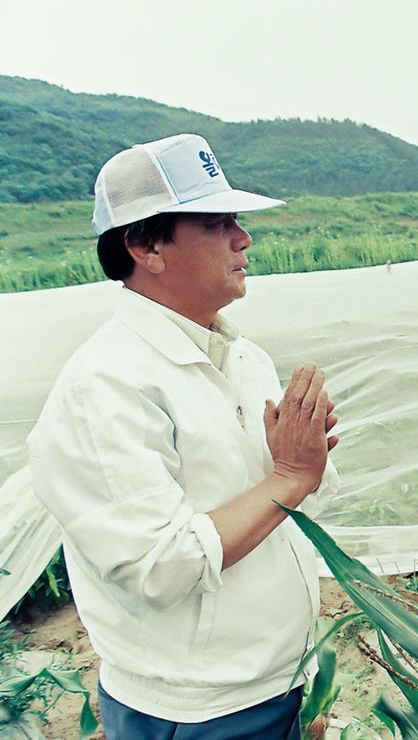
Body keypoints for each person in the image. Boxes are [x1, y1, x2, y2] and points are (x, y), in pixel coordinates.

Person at [28, 134, 341, 739]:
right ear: (146, 245)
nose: (243, 240)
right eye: (218, 223)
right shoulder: (105, 387)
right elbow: (161, 565)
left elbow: (290, 503)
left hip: (276, 679)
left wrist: (308, 462)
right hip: (195, 708)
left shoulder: (240, 356)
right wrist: (288, 478)